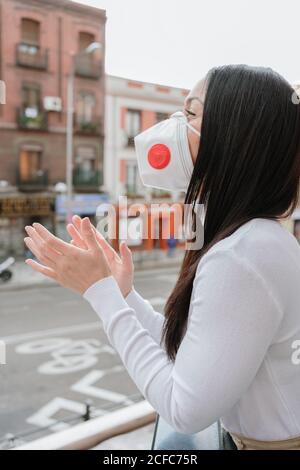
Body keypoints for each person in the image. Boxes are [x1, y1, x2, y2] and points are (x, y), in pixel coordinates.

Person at [23, 64, 300, 450]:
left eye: (190, 113)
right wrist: (123, 296)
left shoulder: (243, 255)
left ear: (233, 136)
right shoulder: (254, 239)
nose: (174, 126)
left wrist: (100, 293)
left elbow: (184, 408)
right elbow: (191, 351)